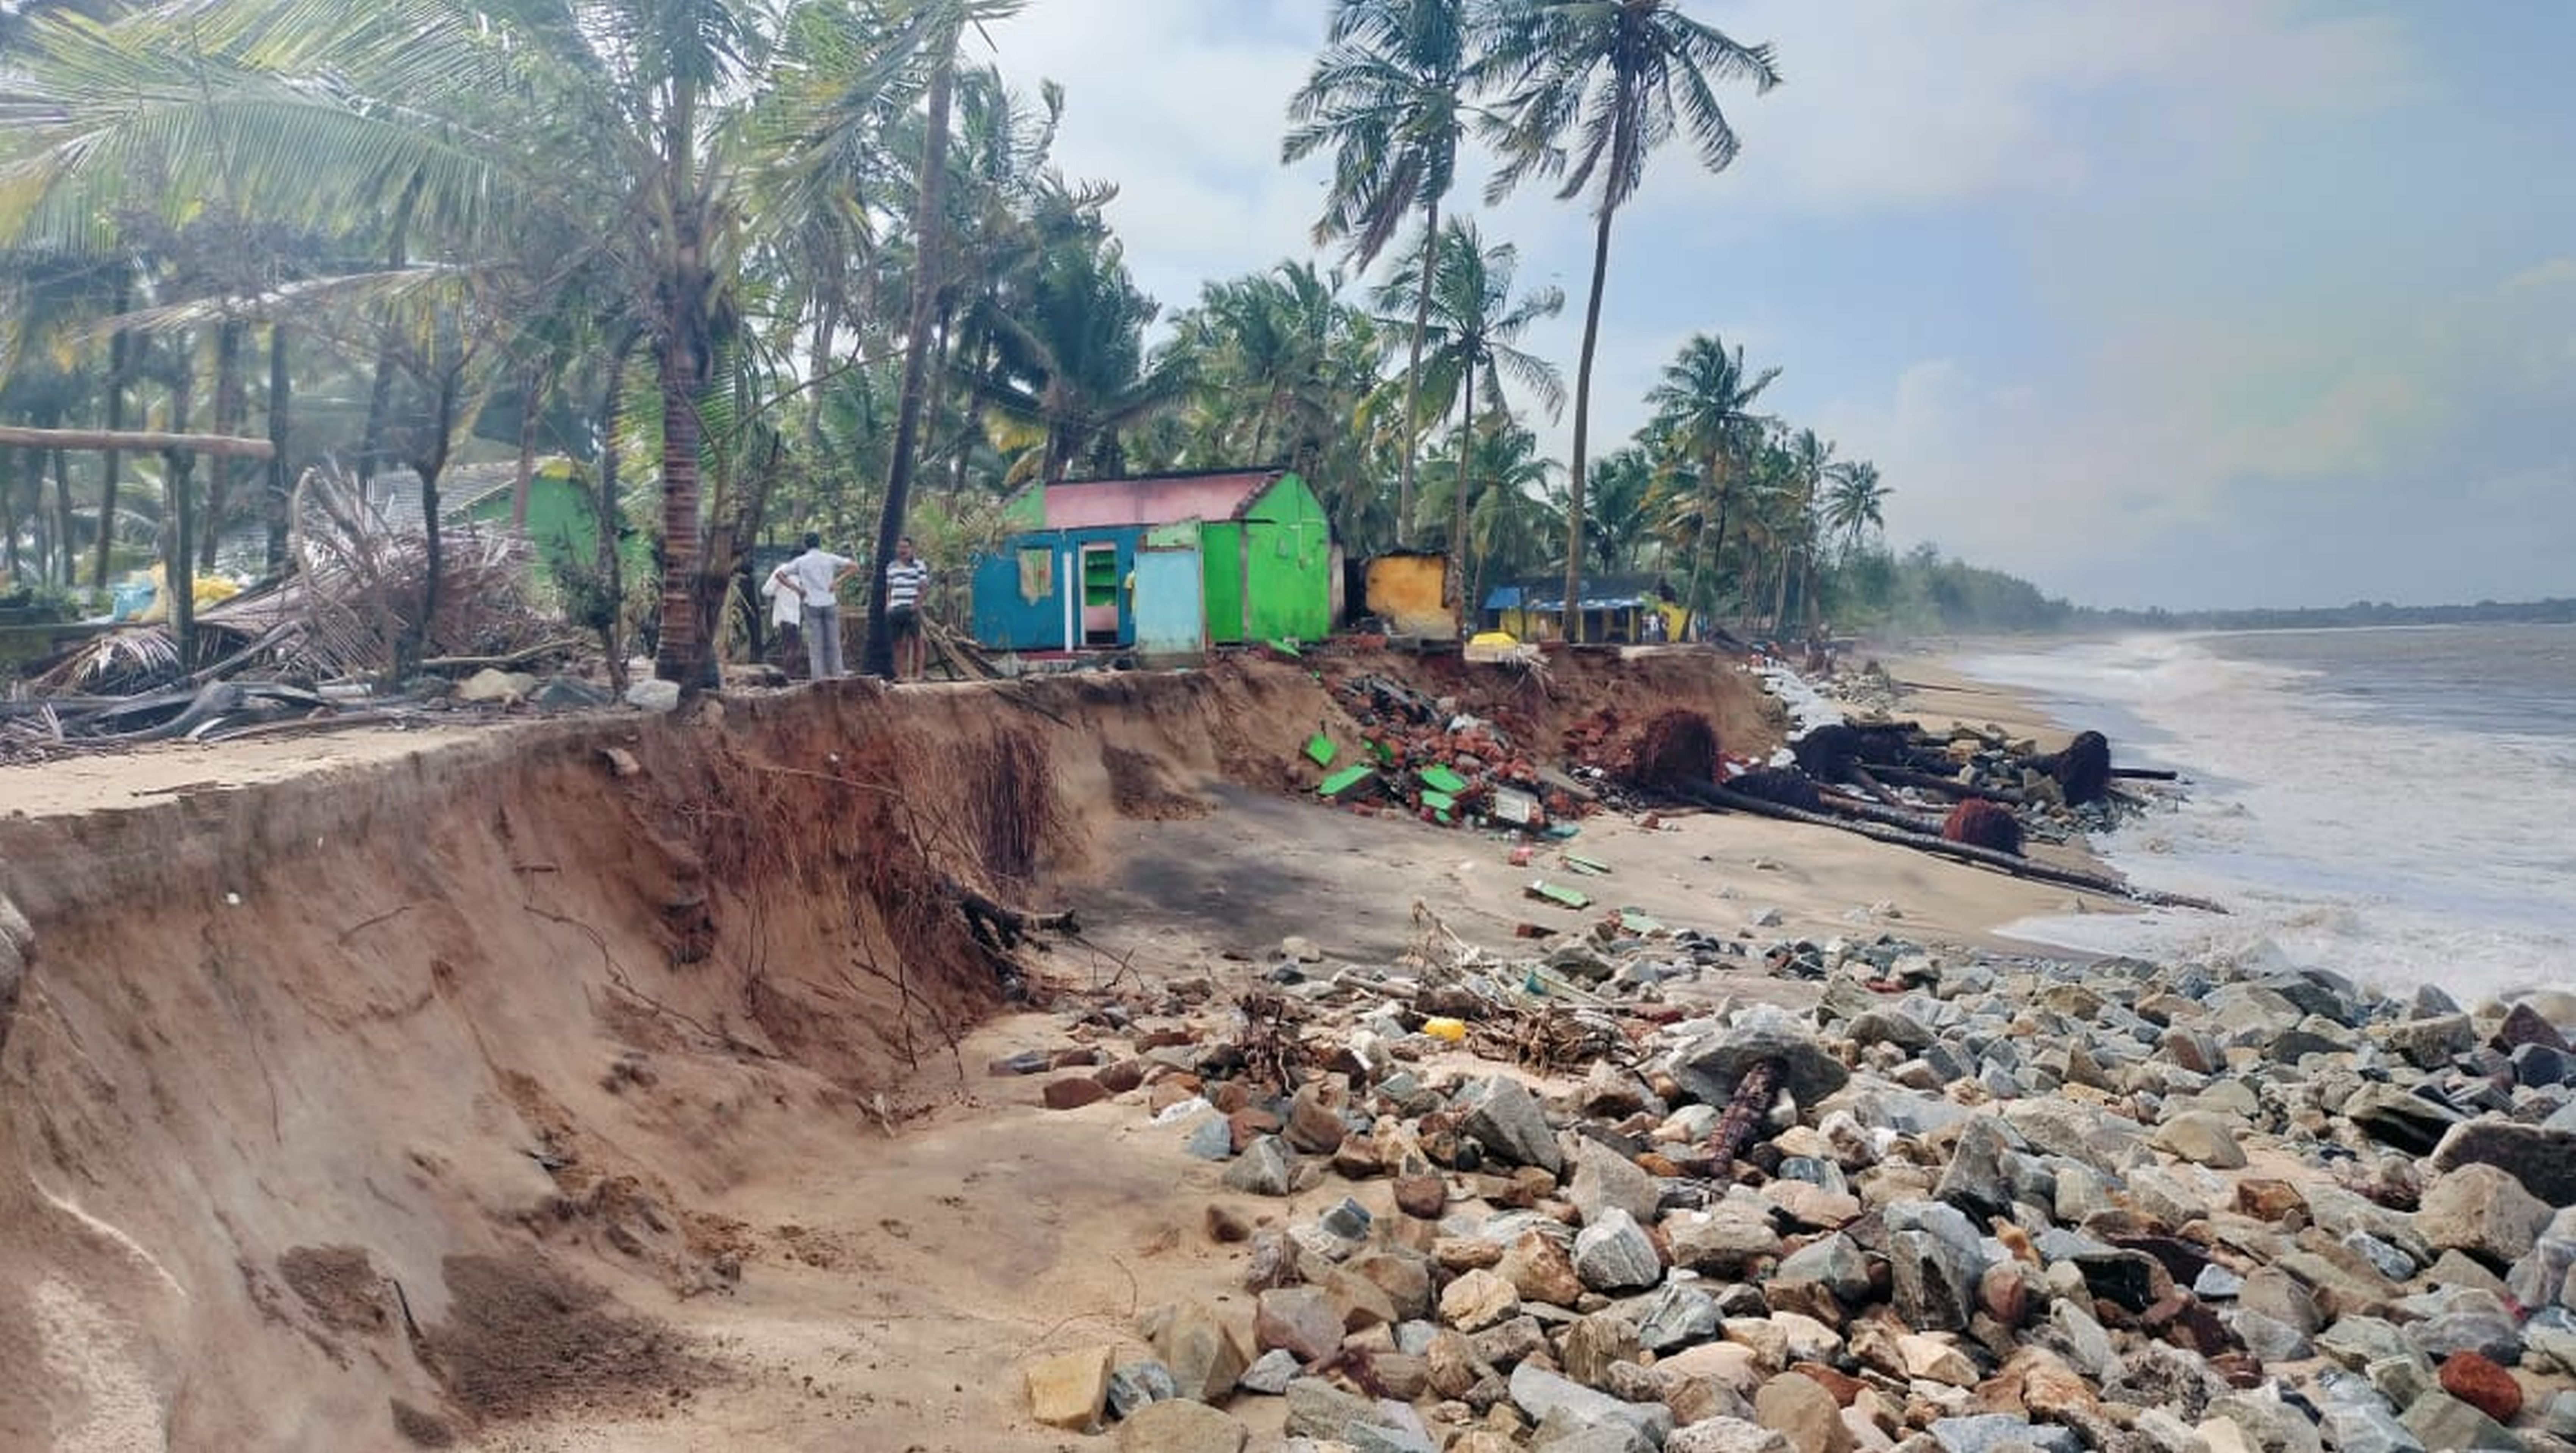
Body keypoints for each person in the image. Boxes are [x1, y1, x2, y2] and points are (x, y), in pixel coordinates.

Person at [768, 532, 858, 680]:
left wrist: (798, 590)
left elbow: (780, 575)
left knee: (816, 644)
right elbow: (854, 566)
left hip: (811, 604)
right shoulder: (829, 558)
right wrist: (838, 581)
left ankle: (818, 678)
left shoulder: (801, 561)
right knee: (834, 642)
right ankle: (838, 676)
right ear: (820, 543)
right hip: (829, 602)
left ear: (806, 545)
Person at [881, 535, 931, 681]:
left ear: (911, 549)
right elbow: (889, 588)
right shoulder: (891, 567)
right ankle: (900, 675)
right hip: (895, 609)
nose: (903, 550)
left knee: (918, 642)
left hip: (911, 609)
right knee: (898, 643)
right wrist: (888, 604)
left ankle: (919, 674)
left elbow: (924, 587)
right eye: (900, 547)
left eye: (906, 547)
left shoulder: (919, 565)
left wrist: (917, 605)